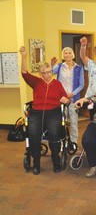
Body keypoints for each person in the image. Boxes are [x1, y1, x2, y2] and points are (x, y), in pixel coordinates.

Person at [19, 46, 70, 175]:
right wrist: (24, 56)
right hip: (37, 112)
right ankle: (36, 164)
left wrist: (66, 100)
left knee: (54, 133)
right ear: (40, 74)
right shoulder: (36, 82)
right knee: (34, 135)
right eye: (45, 73)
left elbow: (66, 99)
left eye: (49, 72)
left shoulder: (57, 84)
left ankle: (56, 161)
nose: (48, 75)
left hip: (53, 111)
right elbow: (24, 72)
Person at [51, 47, 84, 146]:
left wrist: (72, 94)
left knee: (74, 121)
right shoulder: (60, 66)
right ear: (63, 55)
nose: (67, 55)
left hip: (73, 98)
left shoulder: (79, 68)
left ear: (73, 54)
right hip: (61, 98)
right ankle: (63, 140)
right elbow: (49, 72)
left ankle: (73, 142)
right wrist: (52, 64)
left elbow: (81, 85)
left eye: (69, 53)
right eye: (65, 53)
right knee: (62, 121)